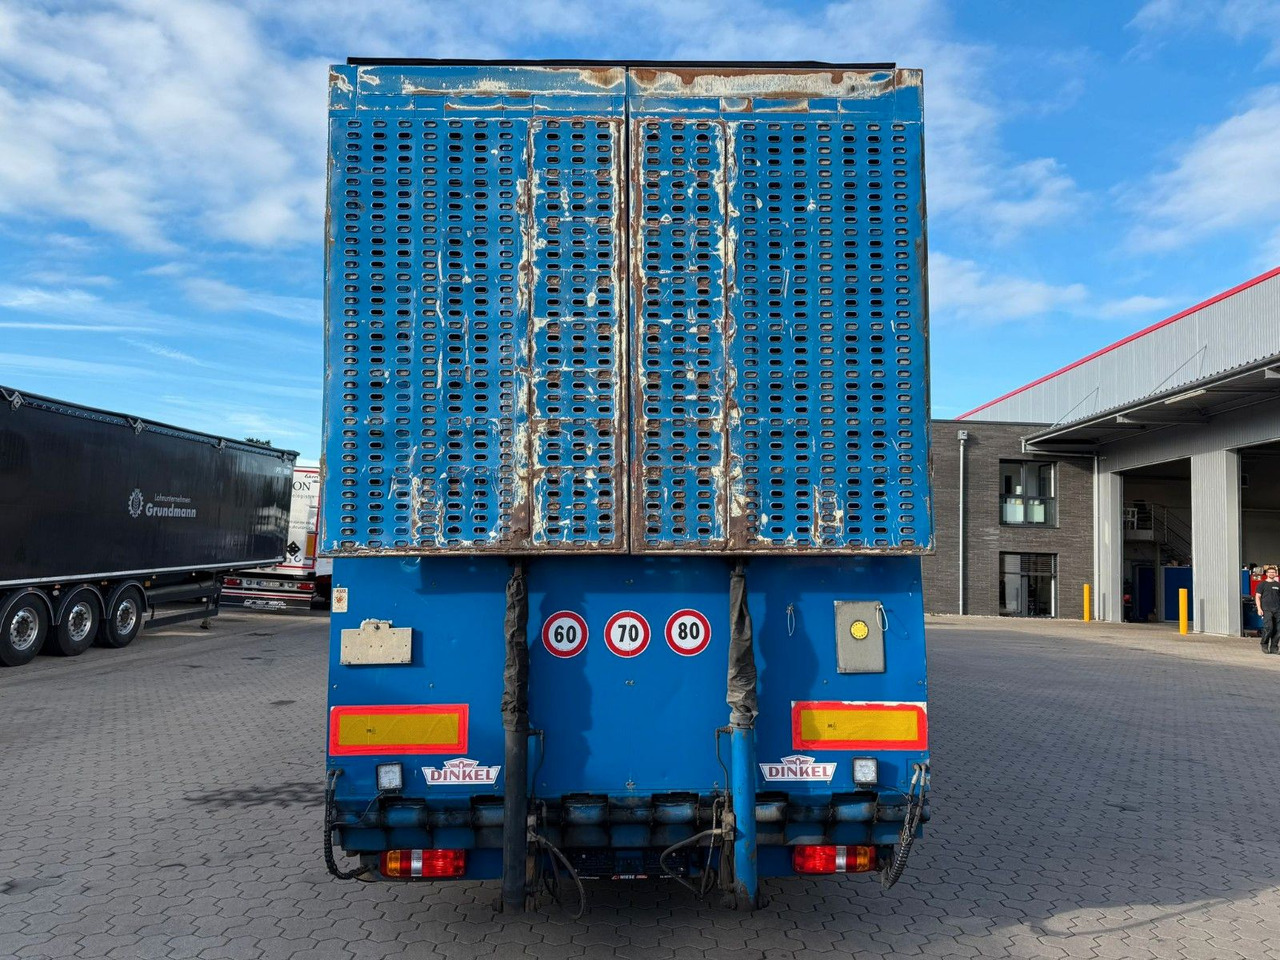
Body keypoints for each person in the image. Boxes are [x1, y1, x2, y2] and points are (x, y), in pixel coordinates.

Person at [1256, 565, 1280, 654]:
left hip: (1278, 610)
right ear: (1267, 574)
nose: (1272, 574)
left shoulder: (1278, 585)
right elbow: (1257, 597)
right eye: (1270, 572)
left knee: (1278, 630)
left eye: (1273, 572)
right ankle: (1264, 644)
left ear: (1276, 574)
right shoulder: (1262, 584)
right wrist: (1259, 608)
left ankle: (1274, 647)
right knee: (1268, 628)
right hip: (1266, 609)